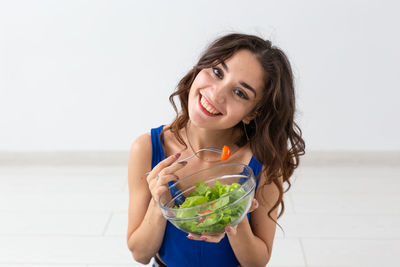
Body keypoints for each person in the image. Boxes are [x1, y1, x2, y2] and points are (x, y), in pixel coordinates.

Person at [126, 33, 305, 267]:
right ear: (200, 68)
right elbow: (140, 254)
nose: (216, 94)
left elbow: (257, 262)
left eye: (240, 92)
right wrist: (159, 203)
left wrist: (236, 217)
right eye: (218, 72)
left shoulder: (262, 163)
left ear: (253, 113)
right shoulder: (148, 148)